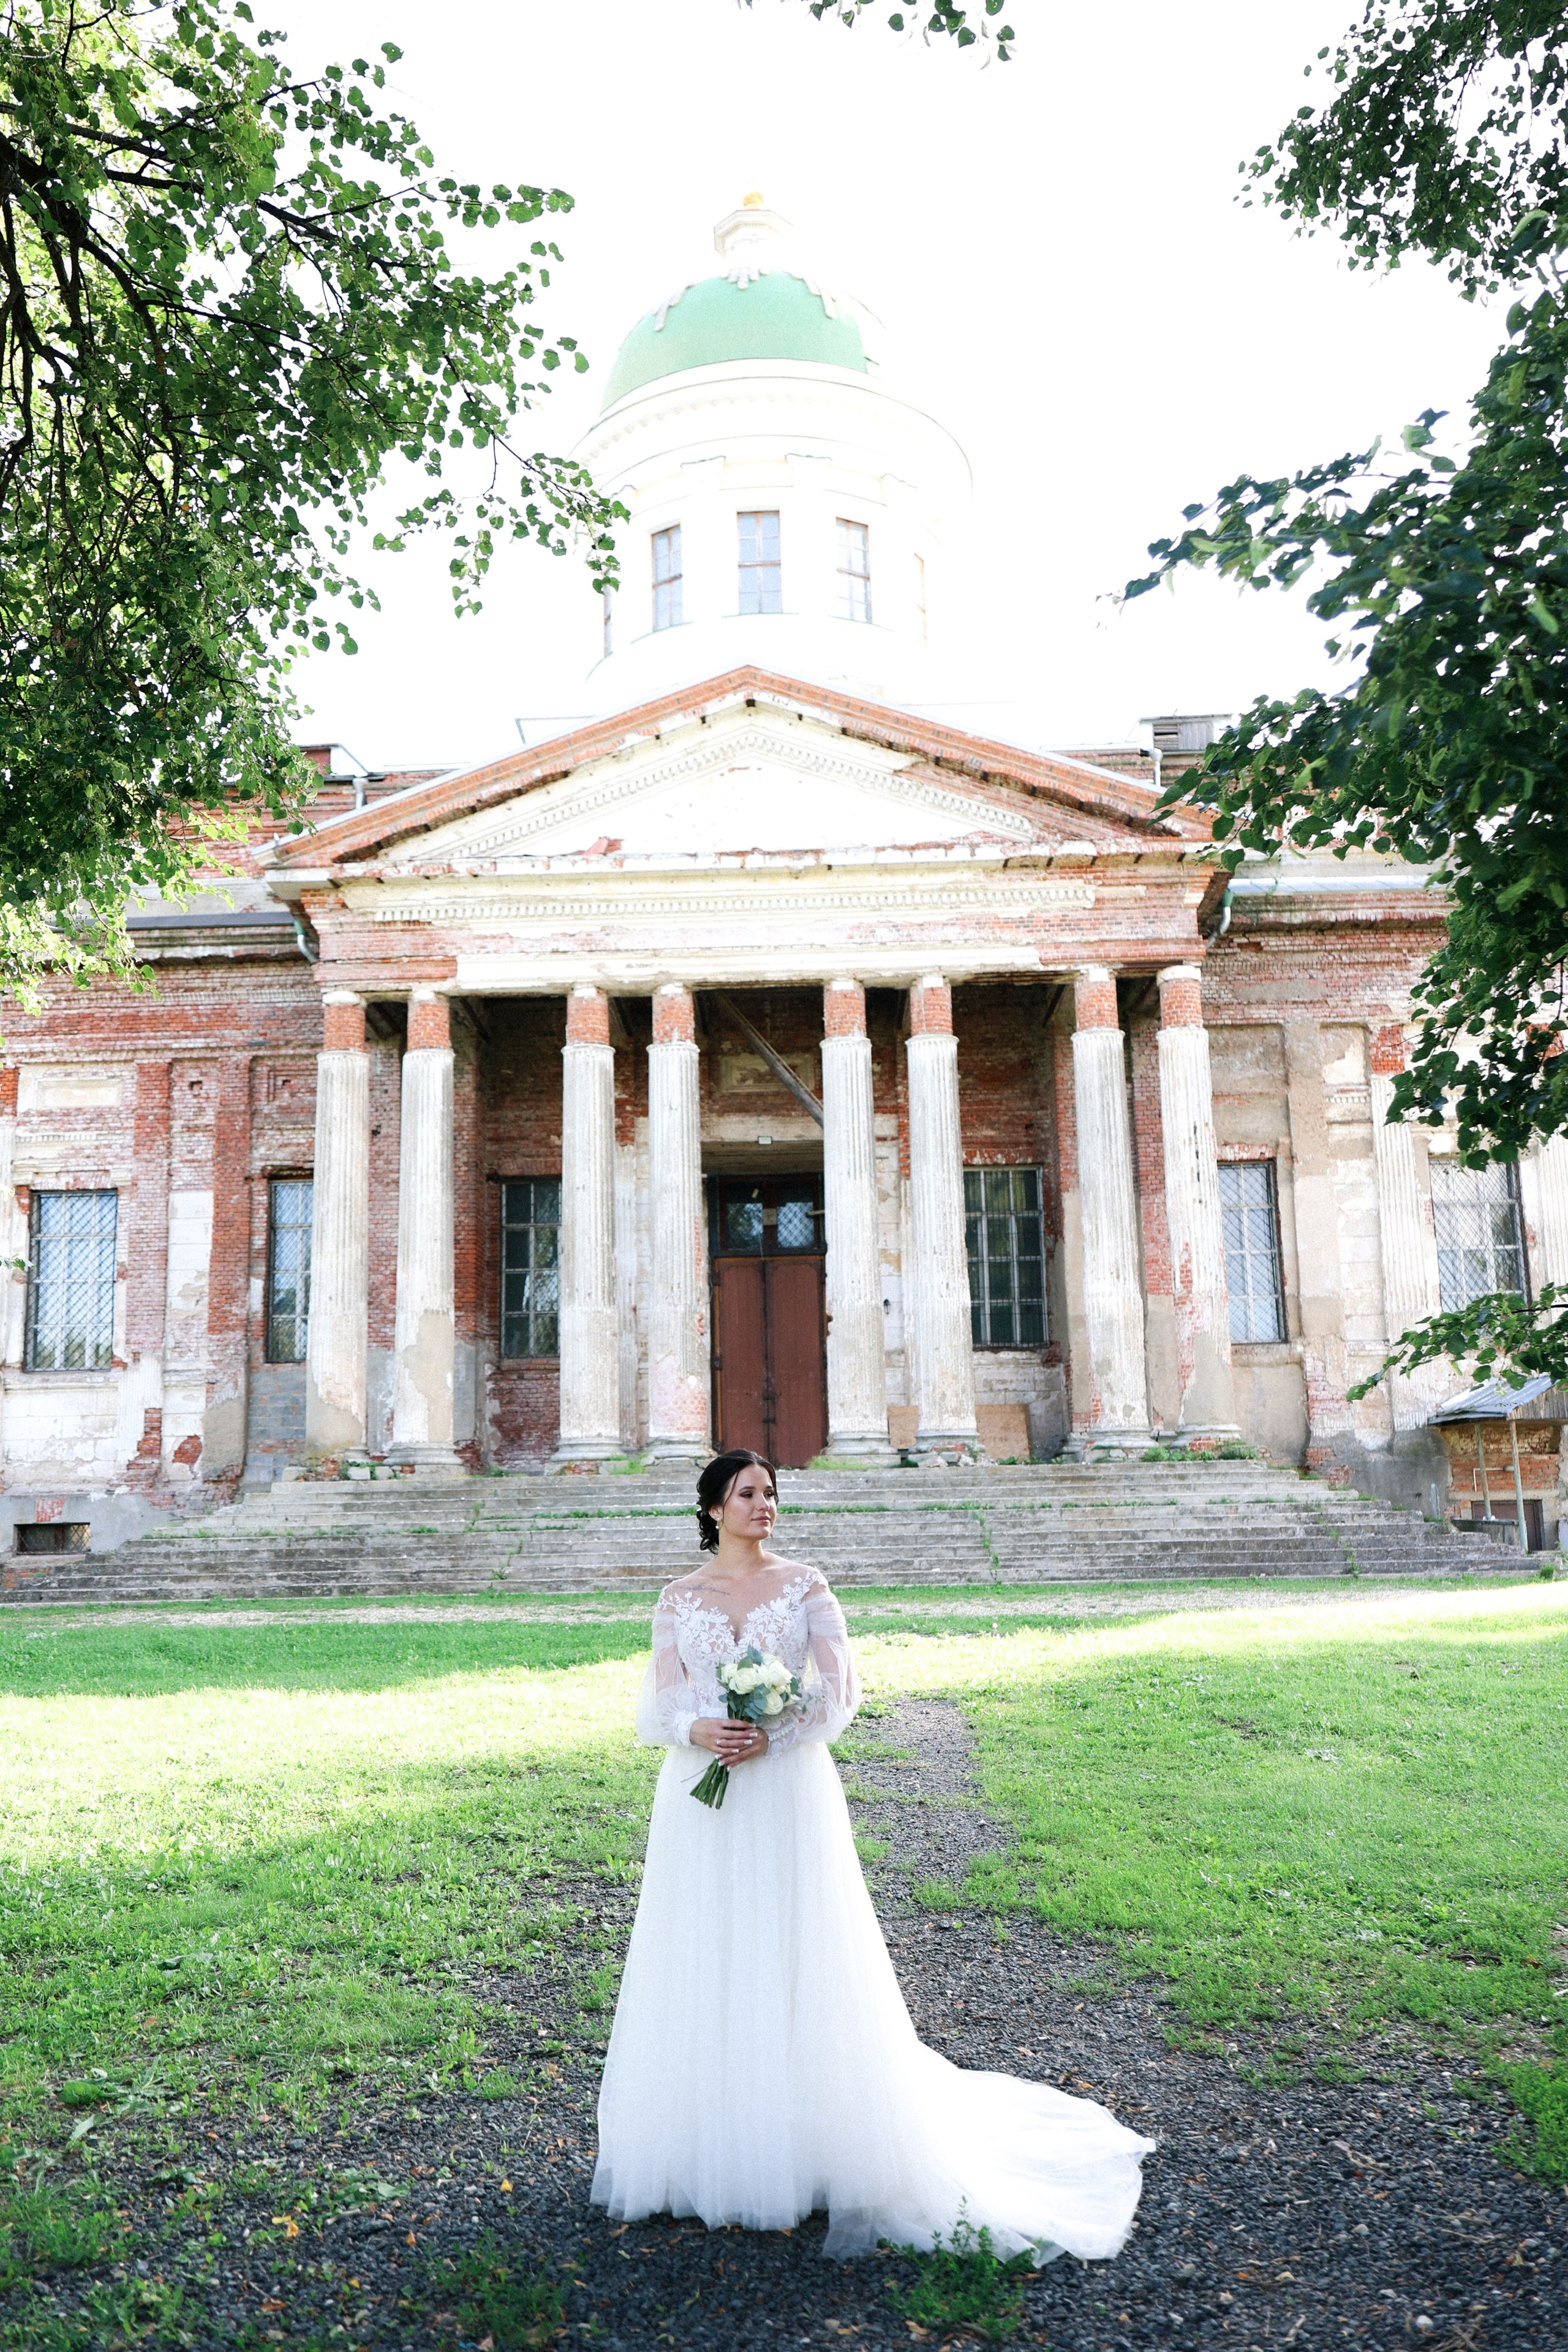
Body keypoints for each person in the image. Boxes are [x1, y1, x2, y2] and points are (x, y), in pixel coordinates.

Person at [590, 1447, 1153, 2262]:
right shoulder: (679, 1598)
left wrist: (775, 1727)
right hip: (701, 1791)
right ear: (713, 1508)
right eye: (747, 1493)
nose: (764, 1504)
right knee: (708, 1945)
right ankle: (710, 2141)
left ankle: (815, 2141)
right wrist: (699, 1728)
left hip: (785, 1785)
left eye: (771, 1492)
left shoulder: (806, 1585)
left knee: (799, 1945)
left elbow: (840, 1688)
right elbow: (663, 1699)